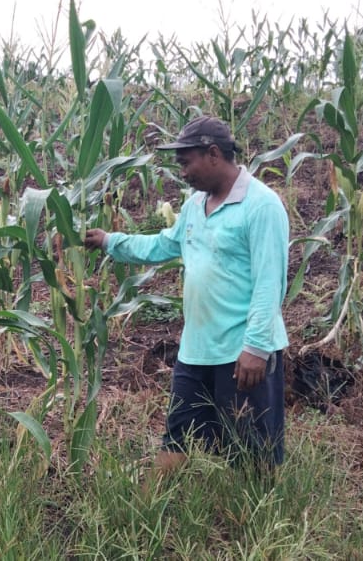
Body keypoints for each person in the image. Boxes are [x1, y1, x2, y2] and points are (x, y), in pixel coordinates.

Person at [83, 116, 289, 472]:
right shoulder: (195, 205)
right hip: (196, 351)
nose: (182, 172)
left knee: (251, 449)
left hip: (241, 353)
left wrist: (256, 347)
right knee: (177, 435)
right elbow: (164, 244)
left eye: (185, 162)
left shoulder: (262, 205)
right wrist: (109, 241)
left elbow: (270, 282)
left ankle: (257, 523)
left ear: (213, 154)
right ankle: (148, 514)